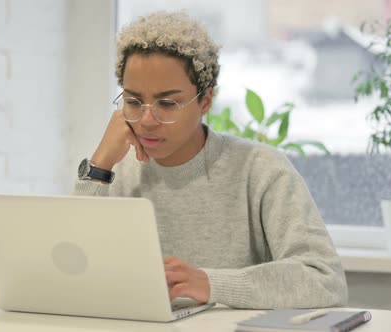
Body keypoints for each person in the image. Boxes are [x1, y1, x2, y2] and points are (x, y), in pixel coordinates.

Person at [73, 11, 348, 309]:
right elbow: (68, 270)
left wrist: (209, 284)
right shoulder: (115, 172)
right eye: (133, 101)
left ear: (205, 101)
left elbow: (324, 280)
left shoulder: (260, 169)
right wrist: (98, 167)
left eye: (167, 103)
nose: (147, 120)